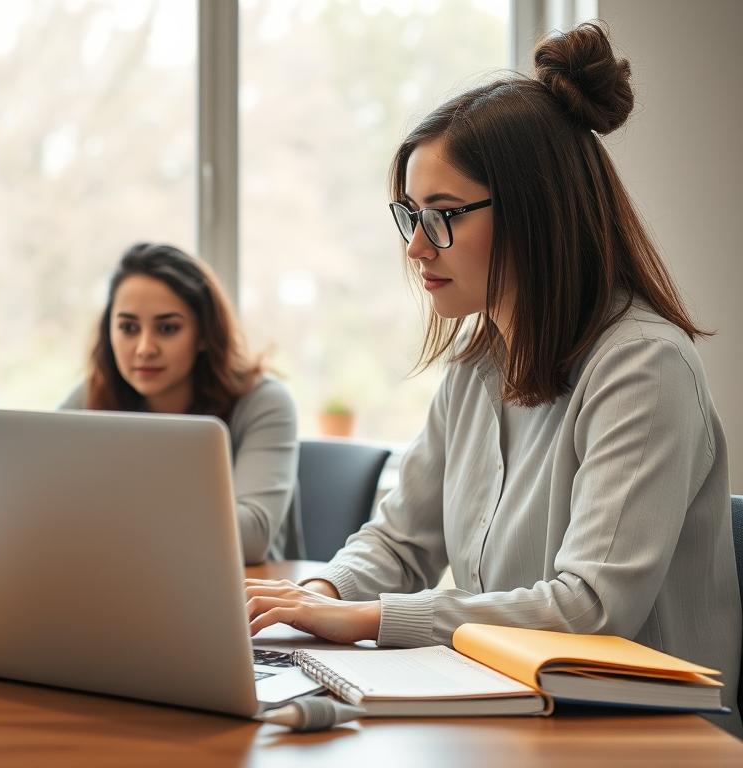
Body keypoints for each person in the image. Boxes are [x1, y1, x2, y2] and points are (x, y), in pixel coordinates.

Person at [244, 23, 740, 732]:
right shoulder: (478, 367)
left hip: (641, 734)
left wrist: (365, 617)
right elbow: (399, 541)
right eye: (411, 216)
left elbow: (587, 609)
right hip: (516, 711)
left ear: (537, 213)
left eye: (443, 216)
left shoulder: (643, 366)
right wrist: (319, 592)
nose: (416, 247)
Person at [62, 242, 298, 564]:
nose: (145, 348)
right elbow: (42, 502)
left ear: (203, 335)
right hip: (125, 580)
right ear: (109, 333)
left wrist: (105, 514)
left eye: (167, 328)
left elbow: (251, 537)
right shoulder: (93, 396)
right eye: (128, 328)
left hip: (242, 595)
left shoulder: (264, 402)